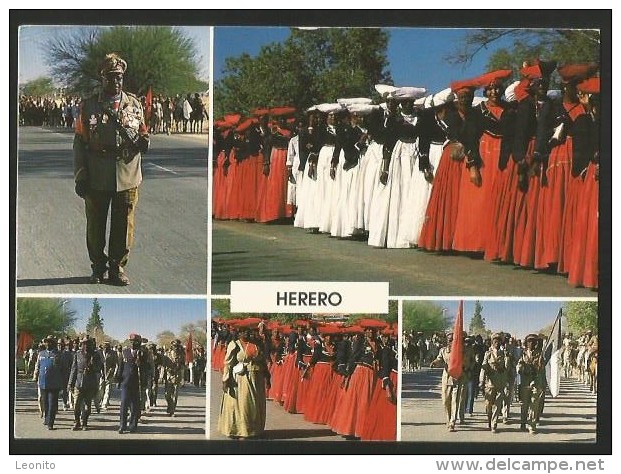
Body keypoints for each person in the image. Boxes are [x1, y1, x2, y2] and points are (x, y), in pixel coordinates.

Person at [73, 53, 149, 286]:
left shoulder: (135, 104)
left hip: (127, 173)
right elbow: (79, 141)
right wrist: (81, 174)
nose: (115, 82)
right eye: (110, 77)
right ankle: (98, 267)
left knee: (124, 224)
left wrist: (145, 140)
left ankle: (117, 268)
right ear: (102, 79)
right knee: (96, 224)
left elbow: (143, 131)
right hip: (97, 172)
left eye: (119, 77)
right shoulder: (88, 106)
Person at [218, 323, 271, 439]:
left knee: (255, 406)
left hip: (257, 379)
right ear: (239, 333)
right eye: (244, 331)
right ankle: (242, 431)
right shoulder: (234, 345)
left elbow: (262, 362)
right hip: (242, 379)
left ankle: (254, 430)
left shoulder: (256, 345)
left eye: (248, 331)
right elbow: (228, 363)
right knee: (244, 406)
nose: (247, 333)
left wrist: (267, 377)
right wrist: (225, 379)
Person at [68, 336, 102, 431]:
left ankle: (85, 423)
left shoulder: (95, 355)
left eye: (88, 343)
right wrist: (70, 383)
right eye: (84, 343)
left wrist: (93, 366)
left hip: (90, 383)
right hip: (78, 383)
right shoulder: (78, 354)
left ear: (91, 344)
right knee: (76, 405)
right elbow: (73, 369)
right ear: (82, 344)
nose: (86, 345)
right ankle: (77, 422)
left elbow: (99, 368)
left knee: (87, 407)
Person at [479, 333, 510, 433]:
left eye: (498, 341)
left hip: (500, 383)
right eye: (495, 341)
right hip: (489, 383)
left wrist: (507, 357)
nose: (497, 343)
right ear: (492, 342)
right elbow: (483, 368)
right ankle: (489, 419)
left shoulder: (503, 353)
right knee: (488, 405)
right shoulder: (488, 354)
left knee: (497, 404)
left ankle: (494, 424)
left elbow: (507, 368)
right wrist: (481, 381)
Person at [117, 333, 148, 434]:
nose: (132, 343)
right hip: (125, 382)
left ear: (139, 342)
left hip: (136, 382)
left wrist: (144, 382)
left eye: (135, 342)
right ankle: (122, 425)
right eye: (131, 341)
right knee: (124, 404)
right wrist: (118, 379)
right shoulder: (124, 352)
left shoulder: (143, 352)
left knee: (135, 405)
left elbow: (145, 369)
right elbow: (120, 366)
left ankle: (133, 425)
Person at [517, 334, 547, 433]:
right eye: (529, 341)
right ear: (526, 343)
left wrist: (539, 366)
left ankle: (532, 425)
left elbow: (542, 368)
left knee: (534, 404)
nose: (531, 343)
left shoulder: (540, 354)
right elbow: (519, 365)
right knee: (525, 404)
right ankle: (523, 422)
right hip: (525, 382)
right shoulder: (523, 353)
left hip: (536, 382)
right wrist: (521, 369)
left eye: (533, 342)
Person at [33, 336, 62, 430]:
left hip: (54, 383)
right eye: (46, 342)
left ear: (53, 344)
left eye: (50, 342)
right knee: (45, 402)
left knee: (52, 403)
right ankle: (46, 418)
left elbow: (62, 369)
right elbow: (37, 366)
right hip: (43, 382)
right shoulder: (41, 354)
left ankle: (50, 423)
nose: (48, 344)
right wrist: (35, 376)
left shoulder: (58, 354)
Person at [162, 339, 185, 417]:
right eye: (174, 346)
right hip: (168, 376)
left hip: (177, 376)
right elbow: (163, 366)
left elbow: (183, 366)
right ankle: (169, 405)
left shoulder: (182, 354)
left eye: (177, 346)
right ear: (172, 346)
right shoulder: (167, 354)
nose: (176, 347)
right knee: (167, 395)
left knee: (175, 395)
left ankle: (172, 410)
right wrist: (162, 376)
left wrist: (182, 378)